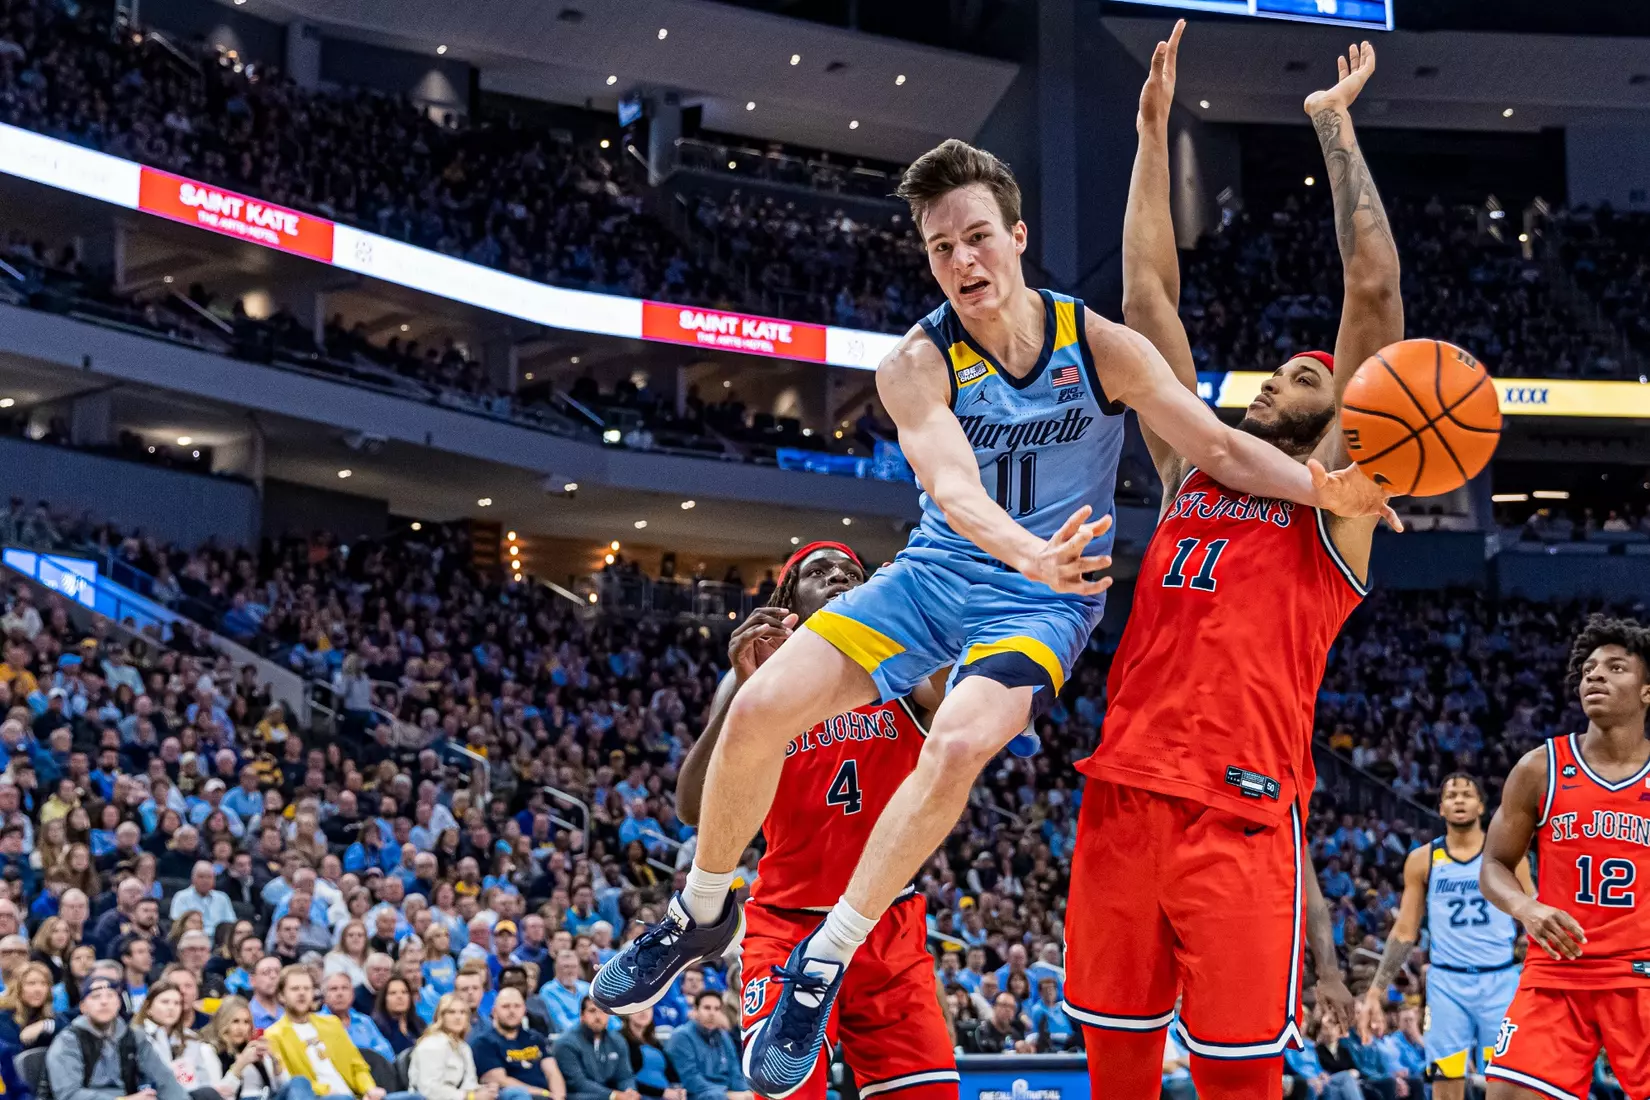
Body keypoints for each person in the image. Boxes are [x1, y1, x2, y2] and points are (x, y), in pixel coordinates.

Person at [593, 71, 1393, 1100]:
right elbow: (955, 486)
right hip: (964, 587)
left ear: (1017, 236)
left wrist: (1328, 480)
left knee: (963, 741)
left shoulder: (1129, 373)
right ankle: (703, 905)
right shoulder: (919, 363)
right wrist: (1151, 135)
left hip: (1103, 665)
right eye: (940, 246)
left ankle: (823, 957)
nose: (961, 259)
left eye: (977, 236)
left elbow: (1250, 410)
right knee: (758, 705)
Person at [1063, 31, 1403, 1099]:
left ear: (1336, 412)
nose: (1278, 376)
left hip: (1243, 817)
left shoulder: (1334, 505)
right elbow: (1147, 291)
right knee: (1115, 1074)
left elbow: (1376, 295)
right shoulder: (1192, 474)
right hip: (1121, 795)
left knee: (1237, 1081)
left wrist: (1335, 127)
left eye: (1306, 373)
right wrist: (1151, 132)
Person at [674, 545, 957, 1100]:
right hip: (787, 924)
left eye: (851, 573)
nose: (837, 578)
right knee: (785, 1092)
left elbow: (952, 692)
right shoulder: (757, 680)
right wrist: (744, 690)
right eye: (818, 572)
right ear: (789, 599)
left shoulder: (904, 669)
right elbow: (690, 808)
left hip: (884, 922)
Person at [1480, 618, 1650, 1099]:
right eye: (1589, 669)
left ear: (1646, 693)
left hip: (1642, 975)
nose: (1595, 676)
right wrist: (1526, 907)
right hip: (1558, 972)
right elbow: (1493, 863)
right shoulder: (1540, 767)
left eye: (1616, 667)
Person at [1363, 773, 1531, 1093]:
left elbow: (1533, 913)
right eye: (1451, 795)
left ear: (1481, 806)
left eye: (1466, 794)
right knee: (1445, 1082)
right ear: (1440, 808)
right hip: (1447, 985)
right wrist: (1375, 989)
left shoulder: (1508, 856)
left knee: (1506, 1083)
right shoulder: (1422, 859)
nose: (1458, 800)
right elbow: (1405, 930)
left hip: (1500, 982)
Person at [264, 965, 412, 1100]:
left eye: (306, 988)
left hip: (354, 1096)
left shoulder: (332, 1023)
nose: (302, 993)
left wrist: (369, 1089)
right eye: (295, 989)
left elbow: (357, 1066)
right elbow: (291, 1083)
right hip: (320, 1097)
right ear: (281, 996)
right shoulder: (274, 1035)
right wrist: (326, 1090)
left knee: (413, 1098)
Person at [44, 973, 189, 1100]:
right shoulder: (68, 1040)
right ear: (83, 1007)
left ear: (119, 1003)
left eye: (110, 995)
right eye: (95, 997)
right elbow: (68, 1095)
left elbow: (165, 1080)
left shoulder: (134, 1037)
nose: (104, 1001)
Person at [133, 978, 221, 1099]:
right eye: (165, 1002)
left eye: (177, 1003)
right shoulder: (137, 1038)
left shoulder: (191, 1038)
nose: (171, 1008)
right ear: (148, 1008)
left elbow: (203, 1079)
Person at [472, 988, 566, 1100]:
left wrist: (559, 1097)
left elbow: (552, 1072)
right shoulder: (483, 1042)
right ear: (494, 1012)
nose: (512, 1011)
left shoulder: (535, 1038)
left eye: (517, 1006)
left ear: (524, 1010)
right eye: (505, 1006)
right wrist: (543, 1094)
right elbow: (500, 1080)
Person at [409, 993, 505, 1100]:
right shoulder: (431, 1045)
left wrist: (484, 1090)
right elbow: (429, 1090)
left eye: (462, 1012)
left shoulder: (463, 1047)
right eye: (451, 1012)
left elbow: (469, 1083)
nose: (458, 1017)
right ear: (440, 1016)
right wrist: (470, 1096)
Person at [662, 992, 749, 1100]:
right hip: (696, 1094)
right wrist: (727, 1095)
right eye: (707, 1008)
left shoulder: (724, 1036)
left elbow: (735, 1073)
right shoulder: (681, 1036)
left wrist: (746, 1093)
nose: (712, 1013)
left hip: (724, 1093)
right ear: (695, 1010)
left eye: (717, 1009)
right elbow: (690, 1080)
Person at [553, 999, 635, 1100]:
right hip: (579, 1096)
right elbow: (578, 1083)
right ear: (582, 1016)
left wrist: (630, 1091)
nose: (598, 1016)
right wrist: (613, 1095)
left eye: (603, 1011)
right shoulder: (566, 1043)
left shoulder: (617, 1040)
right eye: (592, 1011)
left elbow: (625, 1076)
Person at [201, 996, 278, 1100]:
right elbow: (216, 1095)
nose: (241, 1028)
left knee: (299, 1081)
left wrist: (274, 1060)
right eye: (235, 1021)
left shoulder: (253, 1049)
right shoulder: (210, 1050)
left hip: (265, 1097)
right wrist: (240, 1065)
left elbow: (276, 1089)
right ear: (223, 1021)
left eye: (246, 1022)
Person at [320, 971, 394, 1062]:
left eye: (345, 988)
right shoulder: (316, 1023)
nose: (340, 993)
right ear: (324, 996)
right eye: (333, 989)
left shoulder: (364, 1021)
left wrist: (364, 1056)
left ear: (352, 994)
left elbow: (387, 1052)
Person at [617, 1010, 682, 1100]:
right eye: (638, 1008)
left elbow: (671, 1073)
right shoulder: (618, 1040)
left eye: (648, 1008)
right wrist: (661, 1092)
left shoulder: (654, 1042)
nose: (644, 1012)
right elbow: (622, 1079)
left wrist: (678, 1089)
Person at [0, 960, 58, 1050]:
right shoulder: (3, 1017)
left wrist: (45, 1025)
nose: (38, 989)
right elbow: (11, 1055)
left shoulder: (49, 1017)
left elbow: (69, 1025)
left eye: (44, 983)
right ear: (17, 988)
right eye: (31, 983)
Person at [171, 863, 236, 941]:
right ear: (193, 878)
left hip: (219, 942)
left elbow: (230, 923)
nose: (205, 880)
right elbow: (178, 925)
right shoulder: (181, 897)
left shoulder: (223, 898)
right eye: (201, 876)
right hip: (190, 940)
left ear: (214, 879)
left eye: (209, 877)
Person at [962, 992, 1032, 1055]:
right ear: (994, 1007)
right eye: (1004, 1005)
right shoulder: (980, 1031)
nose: (1008, 1010)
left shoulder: (1016, 1035)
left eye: (1012, 1007)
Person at [372, 976, 424, 1057]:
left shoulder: (418, 1023)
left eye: (404, 992)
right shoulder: (376, 1026)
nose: (400, 996)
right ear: (384, 998)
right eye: (393, 993)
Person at [248, 956, 284, 1031]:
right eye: (266, 972)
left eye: (278, 972)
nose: (273, 976)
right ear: (252, 980)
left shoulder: (292, 1011)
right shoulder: (247, 1015)